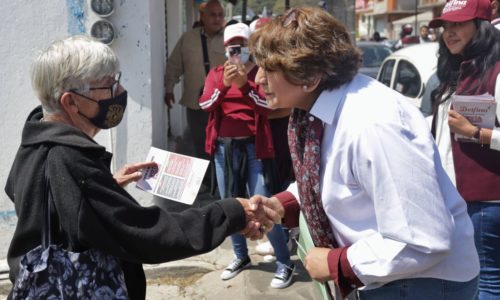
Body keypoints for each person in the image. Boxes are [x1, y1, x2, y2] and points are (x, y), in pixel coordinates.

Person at [5, 35, 281, 300]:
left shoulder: (36, 139)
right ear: (71, 102)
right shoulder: (70, 159)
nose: (120, 92)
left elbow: (31, 194)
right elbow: (145, 235)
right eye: (108, 85)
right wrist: (231, 212)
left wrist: (105, 187)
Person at [249, 6, 480, 299]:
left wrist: (336, 263)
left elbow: (424, 239)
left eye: (269, 68)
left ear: (309, 76)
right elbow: (332, 178)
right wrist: (282, 205)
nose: (258, 78)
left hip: (424, 282)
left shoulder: (372, 125)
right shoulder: (316, 111)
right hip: (391, 277)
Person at [198, 23, 295, 289]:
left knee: (261, 205)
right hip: (223, 150)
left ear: (249, 48)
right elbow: (204, 104)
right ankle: (241, 257)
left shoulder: (260, 76)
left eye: (241, 46)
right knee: (230, 204)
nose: (236, 52)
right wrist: (225, 85)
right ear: (225, 48)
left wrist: (244, 86)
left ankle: (285, 262)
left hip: (254, 148)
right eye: (232, 47)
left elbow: (267, 105)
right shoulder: (216, 74)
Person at [428, 0, 500, 297]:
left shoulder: (496, 71)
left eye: (458, 24)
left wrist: (476, 133)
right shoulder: (456, 72)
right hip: (459, 199)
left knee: (488, 283)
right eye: (446, 25)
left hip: (487, 203)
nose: (449, 32)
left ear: (481, 27)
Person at [164, 0, 226, 178]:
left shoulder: (230, 38)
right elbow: (174, 65)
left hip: (225, 105)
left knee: (224, 146)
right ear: (202, 17)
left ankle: (224, 183)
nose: (216, 18)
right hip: (196, 105)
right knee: (200, 145)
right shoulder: (188, 38)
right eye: (212, 15)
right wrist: (169, 89)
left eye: (220, 15)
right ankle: (207, 182)